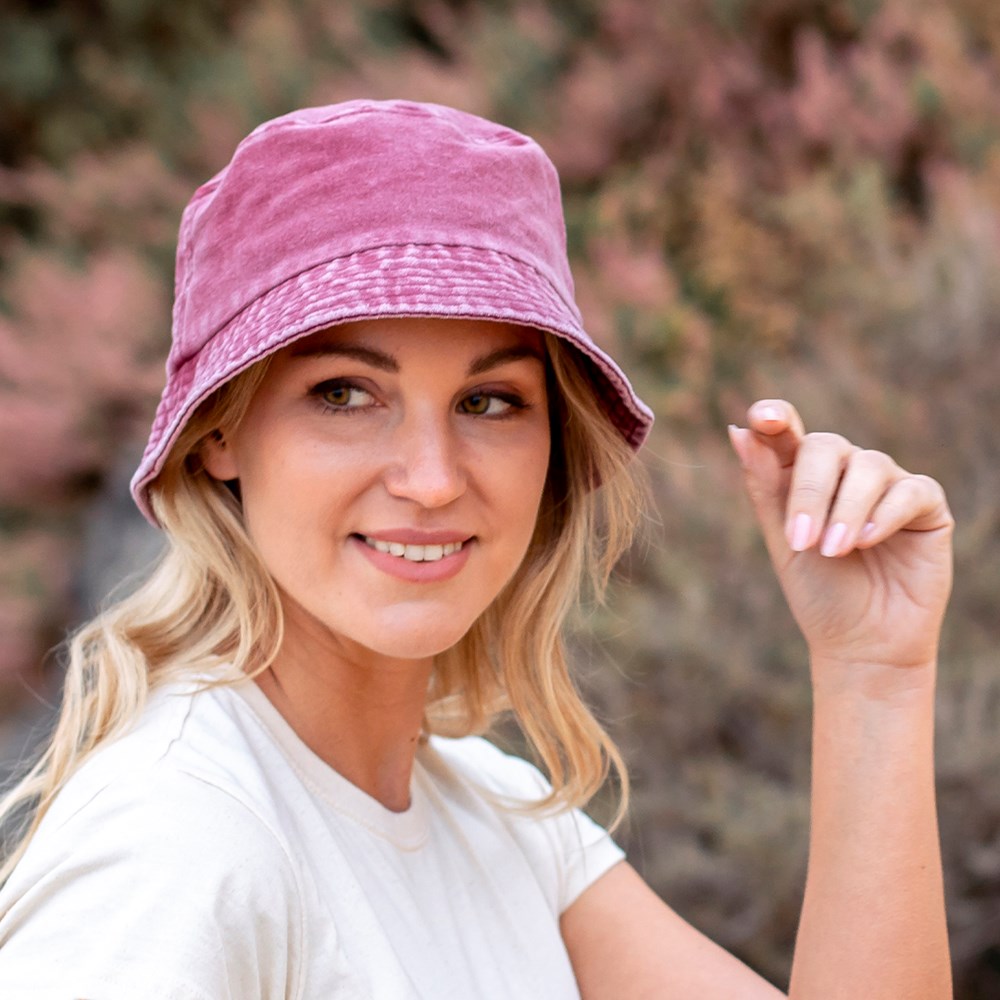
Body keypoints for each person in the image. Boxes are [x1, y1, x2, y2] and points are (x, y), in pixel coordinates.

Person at [0, 100, 952, 999]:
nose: (431, 478)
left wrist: (874, 674)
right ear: (220, 432)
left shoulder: (497, 821)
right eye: (344, 394)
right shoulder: (175, 842)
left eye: (488, 401)